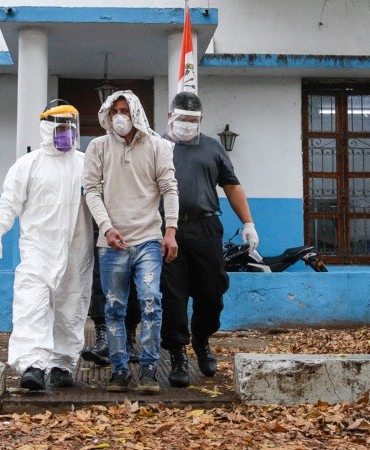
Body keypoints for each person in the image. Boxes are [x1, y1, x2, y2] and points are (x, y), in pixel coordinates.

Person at [0, 100, 93, 391]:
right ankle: (32, 365)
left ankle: (63, 365)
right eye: (60, 127)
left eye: (71, 127)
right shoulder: (28, 165)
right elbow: (10, 203)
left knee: (71, 306)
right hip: (37, 248)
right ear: (47, 128)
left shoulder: (85, 164)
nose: (67, 133)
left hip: (76, 247)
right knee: (31, 304)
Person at [160, 91, 259, 388]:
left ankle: (201, 339)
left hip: (205, 229)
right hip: (168, 231)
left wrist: (248, 223)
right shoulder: (156, 146)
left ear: (201, 120)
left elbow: (232, 186)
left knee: (212, 292)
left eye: (194, 120)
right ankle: (177, 354)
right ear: (170, 118)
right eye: (182, 119)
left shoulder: (213, 148)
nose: (188, 125)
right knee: (173, 296)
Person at [82, 90, 179, 393]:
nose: (120, 116)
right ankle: (119, 370)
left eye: (125, 110)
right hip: (111, 244)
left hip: (149, 239)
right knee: (114, 308)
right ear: (107, 115)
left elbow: (169, 188)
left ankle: (149, 369)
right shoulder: (97, 147)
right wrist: (107, 228)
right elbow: (91, 191)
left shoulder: (158, 146)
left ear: (135, 112)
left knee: (151, 302)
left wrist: (171, 230)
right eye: (115, 111)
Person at [80, 221, 141, 367]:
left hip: (135, 226)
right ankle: (103, 339)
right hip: (101, 227)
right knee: (100, 279)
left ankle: (128, 340)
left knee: (132, 281)